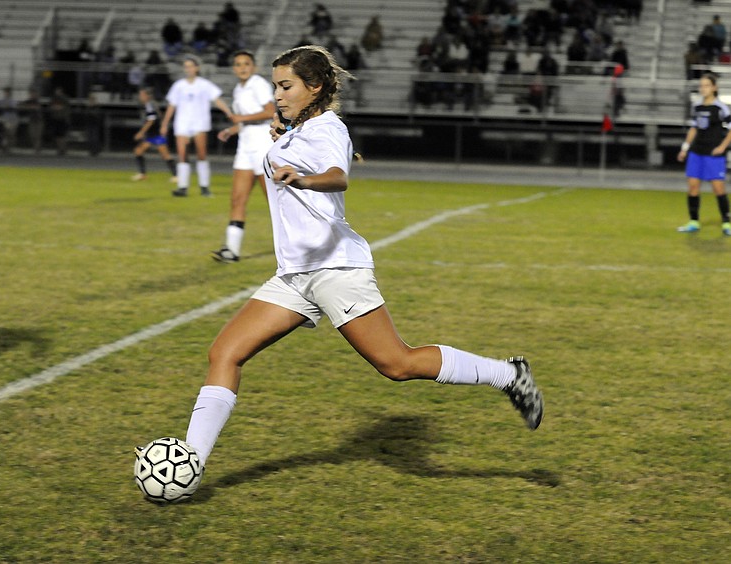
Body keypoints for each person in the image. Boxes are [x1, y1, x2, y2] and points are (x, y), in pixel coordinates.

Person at [177, 45, 544, 484]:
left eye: (285, 86)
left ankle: (509, 374)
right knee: (225, 353)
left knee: (398, 364)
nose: (276, 94)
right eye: (276, 85)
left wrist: (304, 178)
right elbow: (302, 151)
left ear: (314, 88)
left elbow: (338, 175)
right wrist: (284, 139)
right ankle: (189, 464)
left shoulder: (328, 128)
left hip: (335, 269)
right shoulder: (298, 129)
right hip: (295, 275)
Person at [212, 50, 275, 263]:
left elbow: (270, 112)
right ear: (234, 68)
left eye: (246, 63)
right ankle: (231, 249)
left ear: (254, 66)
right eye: (238, 64)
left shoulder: (258, 84)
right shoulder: (239, 88)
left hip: (263, 147)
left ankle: (301, 247)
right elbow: (245, 121)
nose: (242, 67)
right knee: (237, 199)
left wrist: (241, 118)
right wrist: (232, 130)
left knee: (274, 201)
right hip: (245, 148)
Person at [160, 55, 233, 197]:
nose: (188, 69)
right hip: (182, 123)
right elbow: (171, 106)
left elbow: (216, 100)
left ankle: (204, 187)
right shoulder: (179, 85)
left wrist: (229, 113)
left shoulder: (204, 84)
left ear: (197, 68)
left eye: (191, 66)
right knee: (182, 156)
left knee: (201, 155)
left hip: (200, 123)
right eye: (186, 66)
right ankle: (182, 187)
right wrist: (164, 124)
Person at [676, 73, 731, 236]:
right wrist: (685, 148)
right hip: (696, 152)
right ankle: (694, 221)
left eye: (706, 85)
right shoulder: (697, 106)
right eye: (701, 85)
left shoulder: (721, 108)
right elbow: (694, 128)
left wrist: (722, 147)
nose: (703, 88)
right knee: (693, 186)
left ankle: (726, 223)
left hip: (713, 154)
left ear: (714, 87)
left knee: (718, 188)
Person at [131, 87, 177, 182]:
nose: (140, 97)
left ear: (147, 96)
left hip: (156, 134)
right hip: (152, 134)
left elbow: (151, 120)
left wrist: (141, 132)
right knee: (138, 151)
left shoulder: (149, 105)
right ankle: (142, 174)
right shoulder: (151, 104)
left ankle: (176, 175)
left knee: (165, 154)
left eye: (142, 95)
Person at [0, 86, 18, 153]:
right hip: (6, 119)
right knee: (5, 134)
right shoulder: (2, 100)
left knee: (11, 134)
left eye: (7, 92)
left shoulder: (13, 100)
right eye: (5, 92)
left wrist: (6, 106)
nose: (6, 93)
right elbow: (0, 106)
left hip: (13, 119)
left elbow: (11, 107)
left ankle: (9, 148)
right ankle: (4, 147)